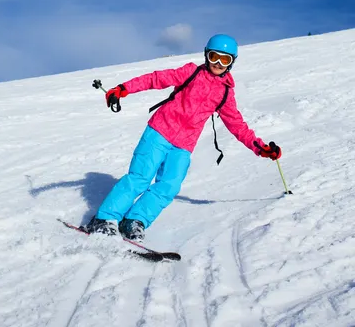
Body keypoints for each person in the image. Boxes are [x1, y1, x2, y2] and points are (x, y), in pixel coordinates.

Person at [82, 34, 281, 241]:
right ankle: (104, 219)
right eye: (214, 57)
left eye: (225, 60)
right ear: (206, 55)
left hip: (184, 145)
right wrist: (123, 89)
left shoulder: (225, 93)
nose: (218, 64)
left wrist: (260, 148)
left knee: (169, 186)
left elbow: (237, 124)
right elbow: (156, 78)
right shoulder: (191, 73)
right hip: (159, 131)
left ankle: (135, 220)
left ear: (232, 62)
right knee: (140, 177)